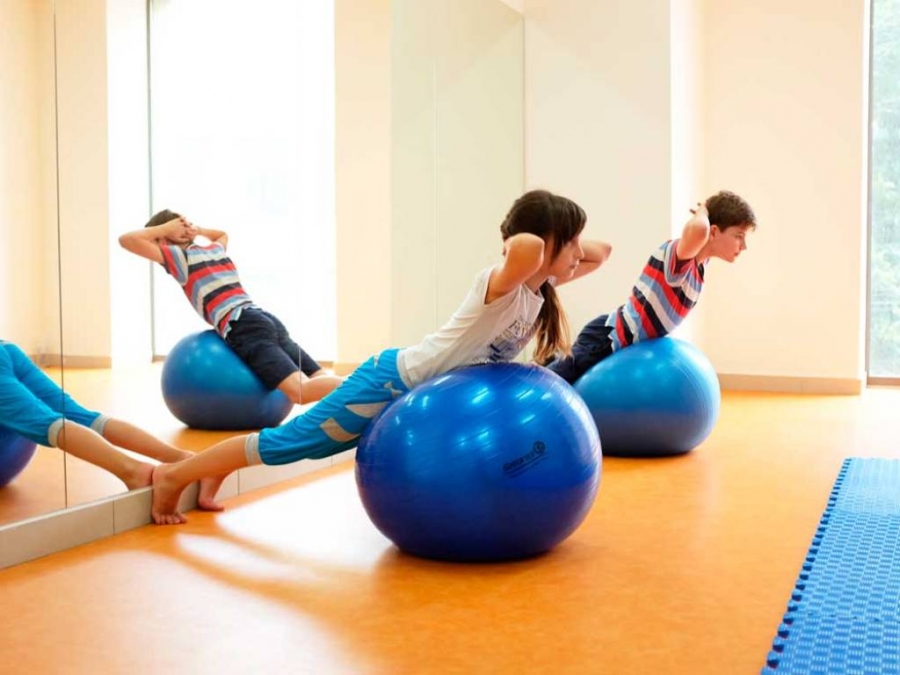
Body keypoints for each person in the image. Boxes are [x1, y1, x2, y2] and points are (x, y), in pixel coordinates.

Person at [148, 189, 613, 524]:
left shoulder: (538, 288)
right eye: (570, 240)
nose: (579, 252)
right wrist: (527, 236)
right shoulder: (499, 282)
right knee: (289, 444)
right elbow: (530, 249)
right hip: (389, 384)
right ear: (542, 241)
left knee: (290, 442)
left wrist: (564, 236)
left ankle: (215, 469)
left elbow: (602, 252)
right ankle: (176, 474)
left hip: (420, 394)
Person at [119, 211, 342, 406]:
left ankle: (362, 387)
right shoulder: (214, 250)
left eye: (156, 240)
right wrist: (197, 230)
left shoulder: (180, 257)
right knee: (317, 375)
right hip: (264, 317)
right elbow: (222, 235)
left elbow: (127, 240)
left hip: (242, 325)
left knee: (300, 391)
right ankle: (357, 392)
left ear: (163, 239)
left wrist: (165, 229)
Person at [546, 190, 756, 383]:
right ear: (714, 232)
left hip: (623, 344)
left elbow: (701, 233)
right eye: (739, 236)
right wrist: (704, 209)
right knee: (555, 380)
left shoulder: (700, 265)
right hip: (608, 339)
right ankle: (544, 367)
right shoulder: (680, 260)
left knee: (564, 373)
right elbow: (699, 230)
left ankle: (552, 359)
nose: (744, 246)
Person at [0, 339, 222, 509]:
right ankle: (181, 458)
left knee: (48, 424)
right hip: (6, 348)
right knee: (84, 417)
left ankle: (134, 472)